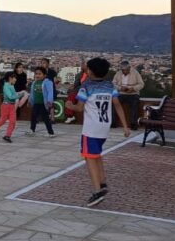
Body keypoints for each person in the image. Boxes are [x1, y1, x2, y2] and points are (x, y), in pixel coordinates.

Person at [65, 57, 131, 207]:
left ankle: (97, 191)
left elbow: (79, 108)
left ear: (90, 71)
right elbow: (117, 105)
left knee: (89, 157)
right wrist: (125, 126)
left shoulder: (86, 87)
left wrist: (69, 105)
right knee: (97, 155)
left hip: (91, 128)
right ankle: (102, 182)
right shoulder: (109, 86)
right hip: (104, 126)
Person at [112, 60, 144, 128]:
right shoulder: (118, 73)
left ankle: (133, 124)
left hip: (133, 93)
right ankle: (113, 123)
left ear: (129, 68)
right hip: (121, 93)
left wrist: (133, 88)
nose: (124, 71)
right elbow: (113, 84)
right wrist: (120, 88)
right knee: (114, 103)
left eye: (126, 70)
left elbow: (141, 84)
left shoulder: (135, 73)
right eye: (123, 70)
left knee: (134, 104)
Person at [0, 71, 18, 143]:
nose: (15, 79)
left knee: (13, 122)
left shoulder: (12, 86)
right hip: (5, 106)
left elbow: (13, 96)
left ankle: (7, 136)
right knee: (3, 120)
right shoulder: (6, 86)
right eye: (14, 78)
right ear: (10, 78)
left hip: (12, 106)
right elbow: (11, 96)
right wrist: (20, 95)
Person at [27, 66, 55, 137]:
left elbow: (50, 92)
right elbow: (32, 93)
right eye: (36, 74)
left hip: (43, 104)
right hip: (36, 103)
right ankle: (32, 130)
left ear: (44, 75)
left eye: (39, 74)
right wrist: (30, 101)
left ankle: (51, 133)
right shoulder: (34, 83)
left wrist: (49, 101)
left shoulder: (48, 82)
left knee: (46, 118)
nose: (37, 75)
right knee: (33, 117)